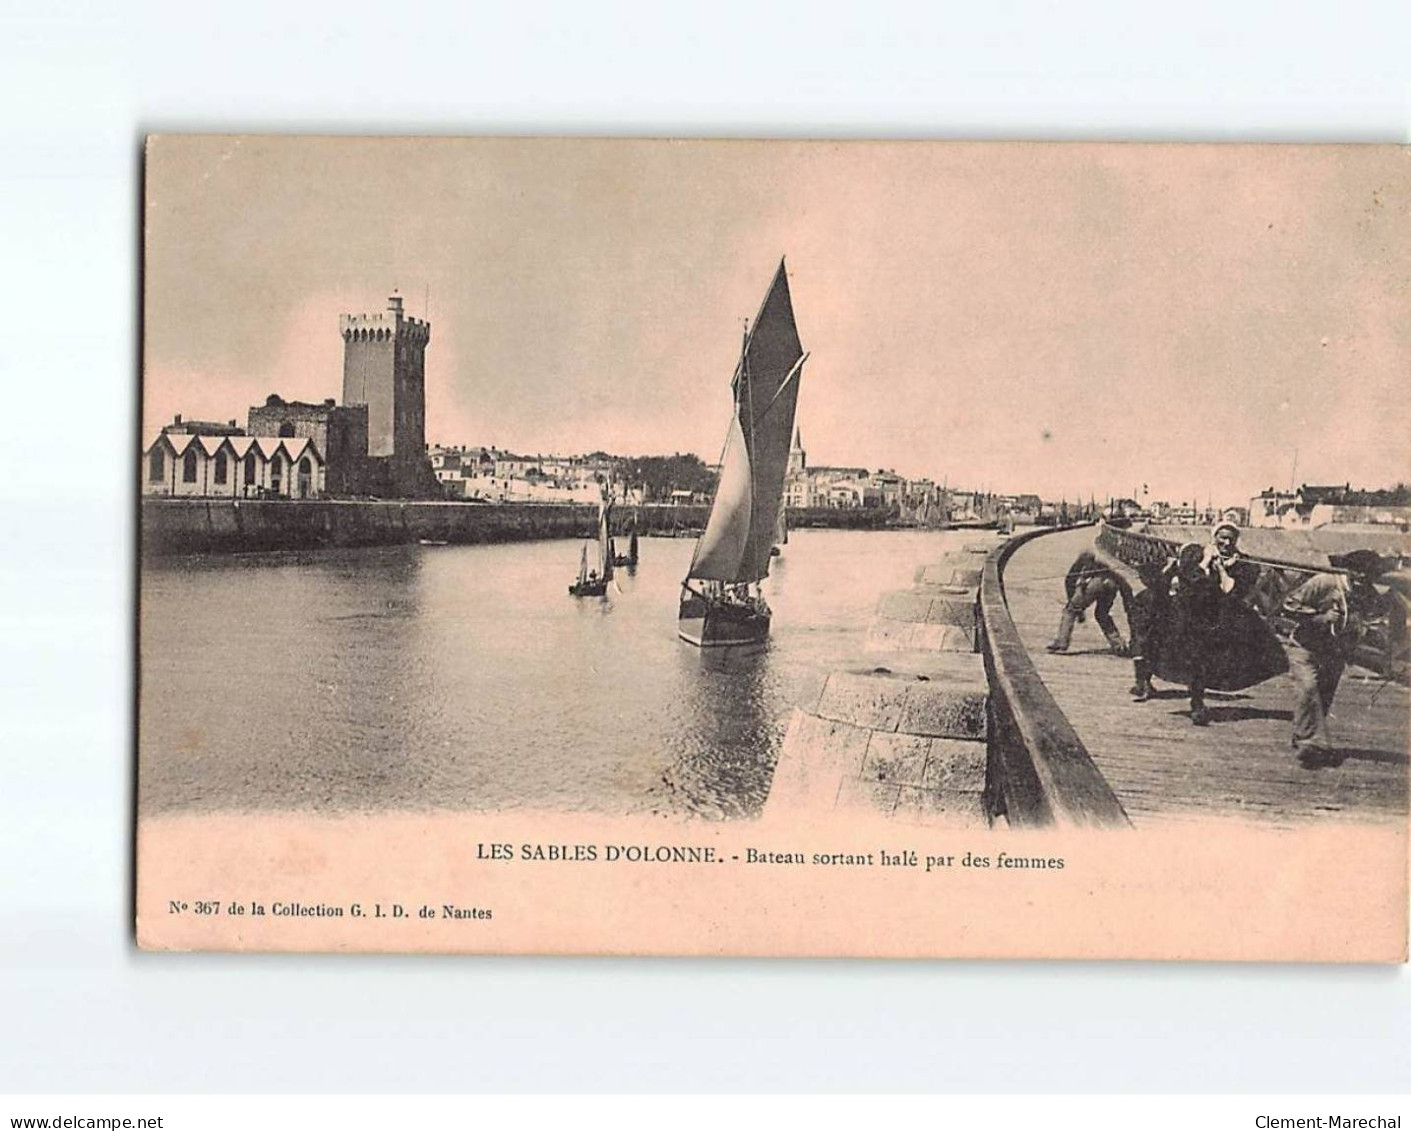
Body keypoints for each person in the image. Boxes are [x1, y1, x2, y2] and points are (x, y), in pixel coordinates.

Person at [1278, 549, 1401, 761]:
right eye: (1361, 573)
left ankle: (1302, 736)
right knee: (1308, 689)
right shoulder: (1324, 582)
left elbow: (1374, 616)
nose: (1365, 579)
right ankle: (1309, 743)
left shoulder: (1367, 592)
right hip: (1304, 646)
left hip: (1335, 650)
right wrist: (1319, 617)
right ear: (1350, 570)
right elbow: (1288, 605)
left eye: (1371, 575)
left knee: (1324, 696)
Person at [1046, 550, 1131, 655]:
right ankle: (1118, 645)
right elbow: (1123, 583)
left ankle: (1061, 642)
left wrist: (1076, 607)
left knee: (1069, 612)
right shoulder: (1106, 567)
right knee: (1102, 614)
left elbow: (1069, 583)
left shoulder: (1078, 566)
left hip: (1094, 584)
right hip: (1111, 584)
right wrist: (1128, 603)